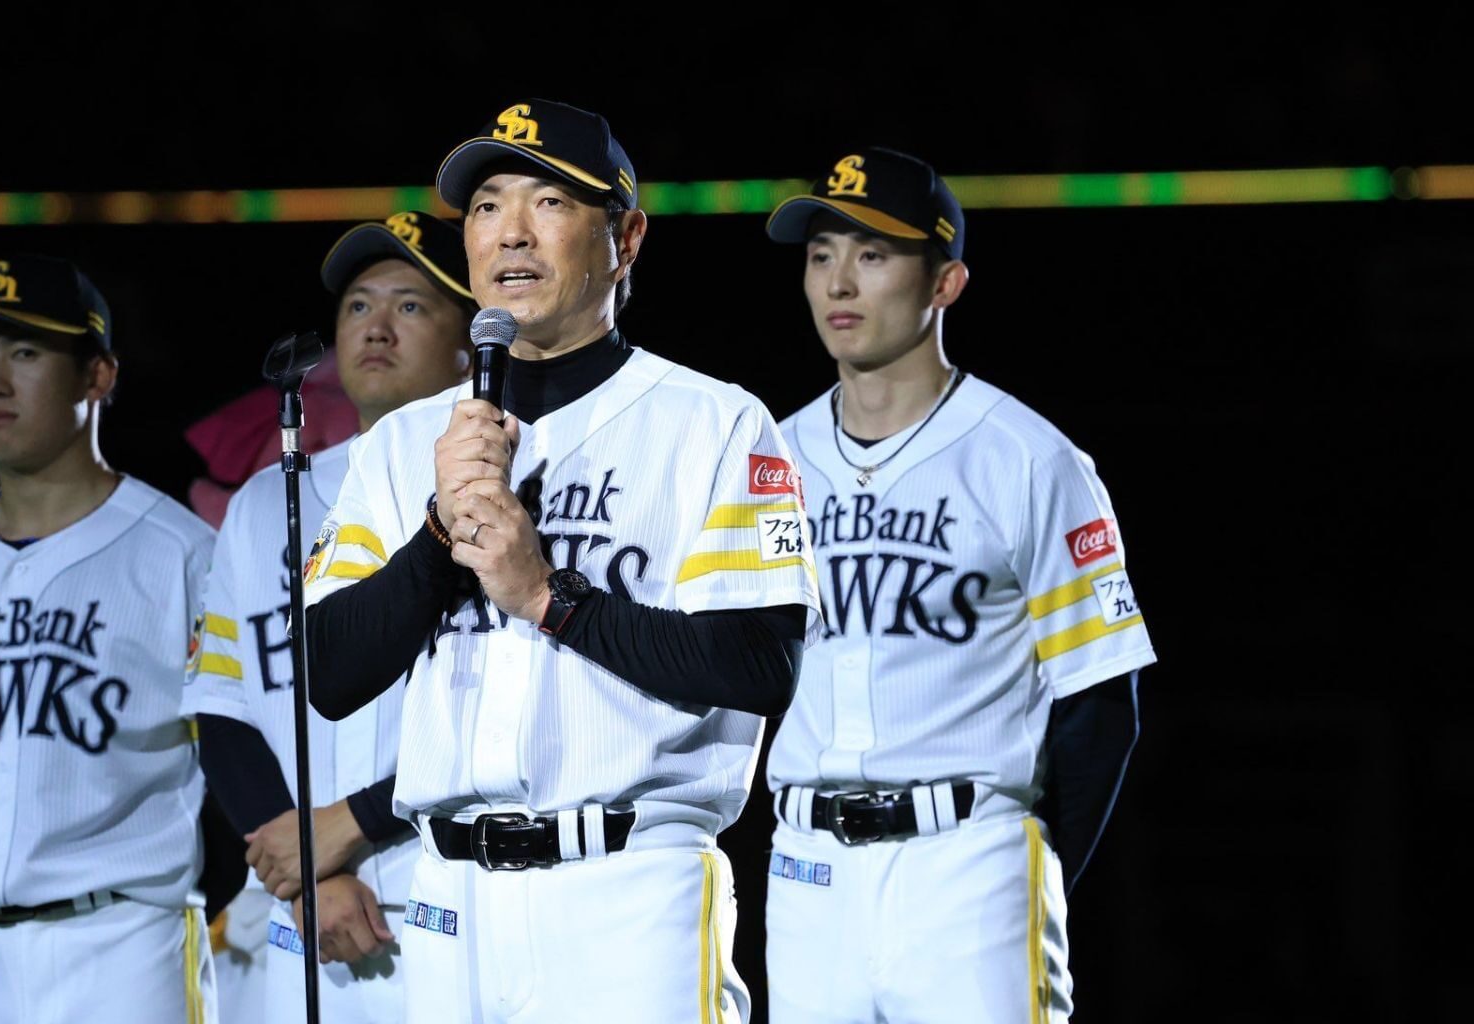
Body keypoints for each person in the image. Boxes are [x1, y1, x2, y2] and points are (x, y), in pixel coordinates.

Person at [301, 100, 820, 1022]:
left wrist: (547, 596)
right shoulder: (409, 443)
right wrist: (436, 537)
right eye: (488, 206)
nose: (512, 232)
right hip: (447, 896)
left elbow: (758, 666)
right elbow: (331, 673)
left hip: (628, 892)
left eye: (549, 202)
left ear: (625, 236)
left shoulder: (714, 421)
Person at [761, 147, 1152, 1023]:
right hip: (807, 869)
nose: (840, 283)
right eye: (822, 255)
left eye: (874, 255)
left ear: (945, 284)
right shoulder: (768, 460)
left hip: (968, 862)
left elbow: (1103, 703)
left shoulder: (1030, 458)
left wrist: (1028, 861)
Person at [0, 254, 220, 1022]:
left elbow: (245, 752)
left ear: (97, 377)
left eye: (25, 354)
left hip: (124, 945)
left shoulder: (182, 552)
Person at [191, 209, 475, 1022]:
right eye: (358, 306)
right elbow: (222, 708)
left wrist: (350, 825)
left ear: (470, 341)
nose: (376, 328)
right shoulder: (261, 505)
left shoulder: (504, 487)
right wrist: (309, 863)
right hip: (305, 904)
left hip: (452, 877)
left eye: (410, 306)